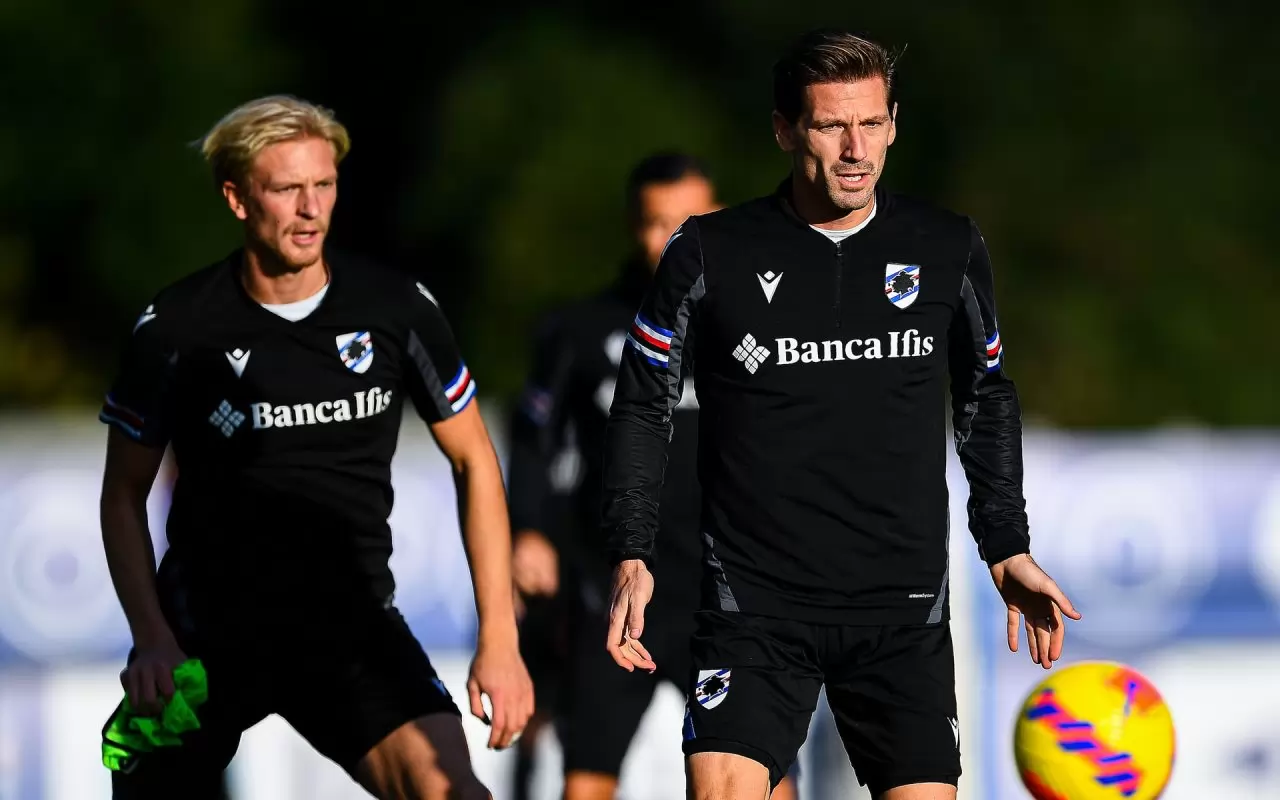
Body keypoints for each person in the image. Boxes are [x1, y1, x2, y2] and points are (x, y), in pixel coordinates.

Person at [601, 30, 1082, 800]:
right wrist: (631, 548)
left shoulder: (946, 246)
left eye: (872, 123)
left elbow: (986, 395)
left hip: (901, 612)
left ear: (893, 124)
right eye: (830, 126)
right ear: (785, 130)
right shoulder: (710, 251)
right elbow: (641, 401)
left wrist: (1005, 545)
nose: (856, 149)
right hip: (755, 610)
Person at [97, 94, 532, 800]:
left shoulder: (395, 308)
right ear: (237, 199)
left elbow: (474, 458)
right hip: (203, 635)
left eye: (324, 184)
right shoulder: (175, 326)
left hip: (352, 628)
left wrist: (501, 641)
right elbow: (122, 494)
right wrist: (150, 637)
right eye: (286, 188)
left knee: (452, 792)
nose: (310, 209)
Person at [506, 153, 798, 800]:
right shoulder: (580, 329)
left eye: (687, 221)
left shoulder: (762, 321)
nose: (670, 240)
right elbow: (532, 439)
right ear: (631, 225)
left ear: (717, 217)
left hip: (729, 593)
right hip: (615, 590)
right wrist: (528, 529)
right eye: (654, 223)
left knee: (763, 777)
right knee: (586, 777)